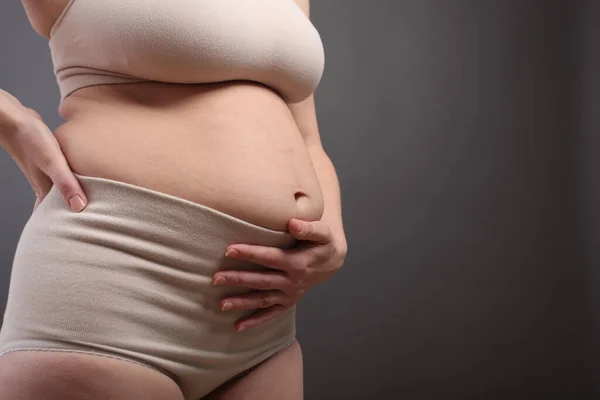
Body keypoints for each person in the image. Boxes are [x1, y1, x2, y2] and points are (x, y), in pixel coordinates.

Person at [0, 0, 348, 399]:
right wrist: (12, 121)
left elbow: (308, 139)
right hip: (116, 279)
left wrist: (331, 233)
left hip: (259, 325)